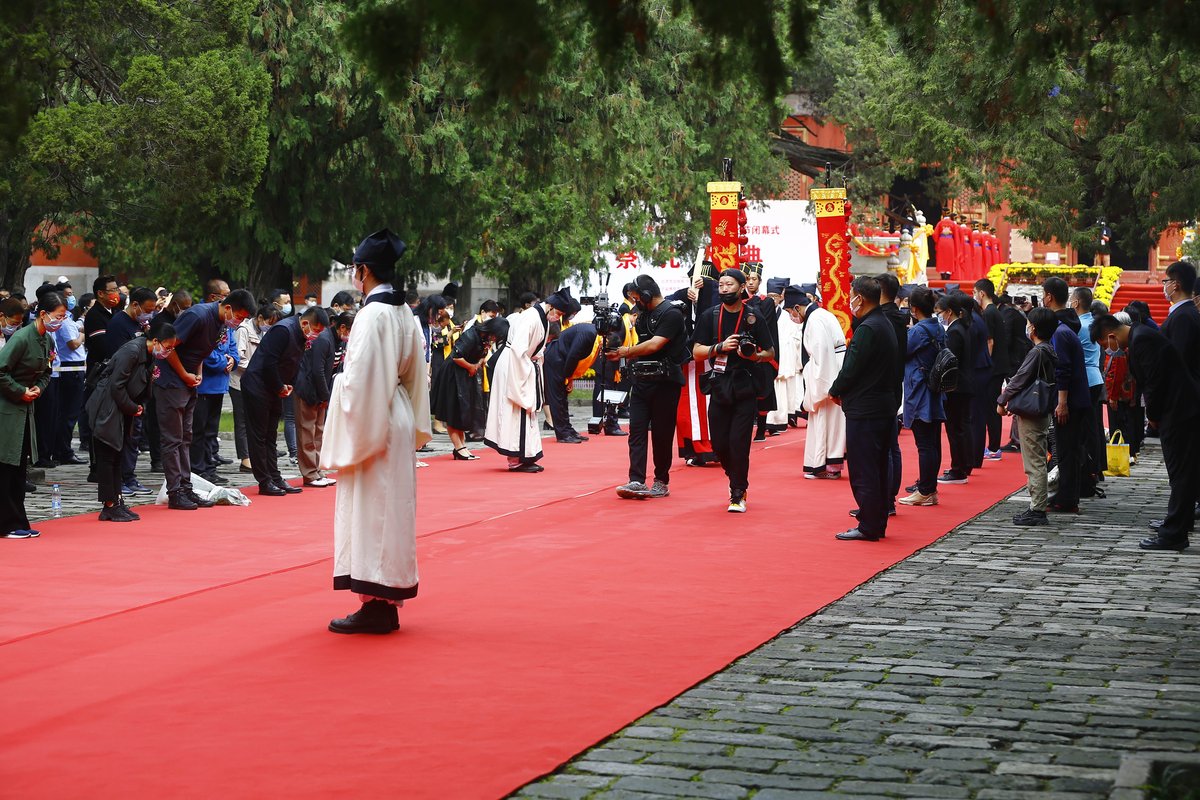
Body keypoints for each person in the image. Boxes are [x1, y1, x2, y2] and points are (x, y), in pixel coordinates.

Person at [322, 228, 430, 634]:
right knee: (392, 512)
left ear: (362, 270)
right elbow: (417, 375)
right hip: (398, 413)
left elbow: (362, 379)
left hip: (376, 419)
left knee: (372, 514)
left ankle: (377, 603)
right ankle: (385, 600)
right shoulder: (405, 312)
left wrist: (338, 384)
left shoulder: (372, 314)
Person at [1091, 314, 1200, 551]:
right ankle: (1179, 522)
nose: (1109, 350)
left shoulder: (1141, 340)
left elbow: (1155, 382)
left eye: (1105, 345)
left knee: (1180, 471)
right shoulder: (1140, 335)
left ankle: (1175, 533)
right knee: (1180, 472)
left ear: (1110, 336)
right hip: (1180, 408)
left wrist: (1153, 415)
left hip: (1179, 410)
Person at [155, 288, 256, 510]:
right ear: (228, 307)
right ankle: (175, 492)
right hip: (172, 381)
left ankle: (186, 487)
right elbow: (167, 346)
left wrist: (197, 373)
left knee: (186, 437)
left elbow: (200, 351)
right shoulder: (198, 315)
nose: (238, 322)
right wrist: (184, 374)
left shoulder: (220, 323)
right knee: (173, 439)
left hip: (191, 381)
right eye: (239, 317)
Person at [692, 268, 775, 512]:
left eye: (729, 285)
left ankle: (738, 492)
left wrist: (753, 355)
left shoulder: (754, 317)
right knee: (719, 444)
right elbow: (696, 350)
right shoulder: (709, 315)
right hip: (719, 384)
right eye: (721, 285)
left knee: (739, 443)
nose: (724, 289)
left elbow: (769, 352)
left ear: (741, 288)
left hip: (745, 384)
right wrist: (718, 347)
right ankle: (733, 475)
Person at [829, 276, 899, 541]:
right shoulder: (884, 323)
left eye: (852, 295)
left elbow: (852, 368)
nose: (850, 300)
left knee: (864, 468)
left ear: (861, 298)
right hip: (882, 404)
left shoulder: (869, 328)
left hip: (866, 408)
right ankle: (875, 520)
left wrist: (836, 390)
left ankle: (869, 524)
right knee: (878, 466)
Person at [87, 320, 178, 522]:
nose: (169, 352)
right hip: (108, 407)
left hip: (124, 407)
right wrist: (132, 407)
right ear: (155, 340)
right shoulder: (132, 351)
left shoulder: (148, 354)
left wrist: (137, 406)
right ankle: (108, 505)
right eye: (168, 347)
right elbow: (116, 385)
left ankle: (117, 501)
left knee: (119, 454)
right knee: (107, 455)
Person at [612, 275, 689, 499]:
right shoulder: (643, 314)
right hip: (642, 380)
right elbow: (641, 344)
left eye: (637, 298)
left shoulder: (672, 314)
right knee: (636, 431)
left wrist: (626, 352)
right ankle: (636, 479)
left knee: (662, 434)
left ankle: (661, 481)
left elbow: (655, 345)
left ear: (646, 295)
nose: (635, 302)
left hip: (666, 382)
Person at [485, 288, 575, 472]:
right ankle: (516, 457)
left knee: (526, 412)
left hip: (524, 362)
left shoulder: (541, 317)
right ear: (550, 306)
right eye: (558, 313)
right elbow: (519, 349)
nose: (558, 317)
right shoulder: (531, 317)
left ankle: (525, 455)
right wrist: (529, 369)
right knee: (516, 411)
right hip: (516, 363)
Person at [243, 304, 329, 496]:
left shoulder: (301, 334)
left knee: (271, 435)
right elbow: (269, 362)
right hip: (257, 385)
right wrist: (279, 386)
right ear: (306, 323)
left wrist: (288, 384)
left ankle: (275, 477)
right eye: (315, 331)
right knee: (259, 436)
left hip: (276, 388)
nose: (315, 335)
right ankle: (264, 481)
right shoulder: (284, 330)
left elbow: (294, 362)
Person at [0, 292, 62, 539]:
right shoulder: (21, 338)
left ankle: (18, 520)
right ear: (43, 314)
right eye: (58, 316)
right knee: (6, 468)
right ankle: (6, 524)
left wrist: (38, 388)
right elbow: (1, 371)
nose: (60, 321)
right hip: (7, 409)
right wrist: (20, 391)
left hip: (26, 409)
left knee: (19, 469)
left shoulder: (47, 340)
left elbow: (47, 371)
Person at [997, 307, 1059, 526]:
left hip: (1033, 412)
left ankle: (1037, 507)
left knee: (1034, 461)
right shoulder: (1048, 349)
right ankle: (1037, 505)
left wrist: (1003, 399)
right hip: (1041, 409)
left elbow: (1020, 378)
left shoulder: (1038, 352)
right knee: (1037, 458)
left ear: (1033, 328)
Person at [785, 285, 847, 479]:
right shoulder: (821, 314)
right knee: (830, 420)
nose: (791, 317)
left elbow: (821, 353)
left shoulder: (815, 319)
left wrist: (820, 389)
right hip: (831, 367)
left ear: (797, 307)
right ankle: (829, 464)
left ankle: (823, 464)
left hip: (827, 371)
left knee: (823, 417)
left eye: (790, 312)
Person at [1042, 277, 1091, 513]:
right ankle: (1067, 493)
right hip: (1076, 396)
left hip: (1069, 400)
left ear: (1049, 296)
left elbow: (1062, 368)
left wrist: (1061, 403)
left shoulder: (1060, 332)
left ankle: (1067, 498)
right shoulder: (1068, 325)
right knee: (1068, 448)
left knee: (1067, 449)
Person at [431, 315, 508, 459]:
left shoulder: (486, 338)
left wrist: (477, 365)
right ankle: (458, 447)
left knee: (464, 410)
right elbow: (456, 356)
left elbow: (482, 355)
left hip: (466, 373)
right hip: (453, 374)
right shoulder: (471, 335)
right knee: (454, 411)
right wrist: (471, 367)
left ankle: (462, 446)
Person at [106, 286, 158, 496]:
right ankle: (121, 479)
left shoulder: (140, 323)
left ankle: (129, 476)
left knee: (133, 435)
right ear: (135, 304)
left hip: (138, 387)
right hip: (124, 388)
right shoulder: (119, 323)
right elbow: (121, 359)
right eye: (147, 309)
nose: (150, 314)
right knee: (123, 436)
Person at [899, 287, 945, 506]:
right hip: (935, 388)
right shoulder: (938, 327)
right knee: (933, 442)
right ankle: (930, 488)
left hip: (920, 389)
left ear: (914, 309)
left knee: (925, 444)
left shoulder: (919, 331)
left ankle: (925, 490)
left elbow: (902, 352)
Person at [295, 310, 353, 487]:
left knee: (319, 431)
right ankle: (310, 474)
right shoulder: (324, 339)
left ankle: (318, 470)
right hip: (308, 390)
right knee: (307, 432)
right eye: (351, 331)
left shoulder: (338, 341)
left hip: (322, 392)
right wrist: (325, 396)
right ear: (342, 327)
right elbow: (317, 371)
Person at [672, 265, 719, 466]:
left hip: (710, 361)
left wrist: (706, 293)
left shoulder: (718, 299)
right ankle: (693, 448)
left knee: (708, 406)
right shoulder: (681, 296)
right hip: (687, 362)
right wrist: (686, 296)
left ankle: (713, 448)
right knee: (686, 410)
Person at [935, 292, 975, 484]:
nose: (940, 316)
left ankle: (958, 468)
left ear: (949, 312)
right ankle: (963, 464)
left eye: (941, 312)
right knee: (961, 426)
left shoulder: (955, 331)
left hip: (957, 387)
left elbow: (950, 361)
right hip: (964, 384)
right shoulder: (962, 328)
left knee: (955, 428)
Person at [876, 273, 908, 514]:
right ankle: (888, 499)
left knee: (884, 447)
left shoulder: (883, 318)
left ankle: (884, 500)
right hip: (895, 384)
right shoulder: (898, 316)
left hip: (882, 387)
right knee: (891, 445)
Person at [543, 320, 599, 443]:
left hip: (561, 359)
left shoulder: (592, 332)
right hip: (555, 358)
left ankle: (567, 429)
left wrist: (570, 378)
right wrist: (568, 377)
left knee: (563, 398)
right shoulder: (589, 333)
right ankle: (562, 434)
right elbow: (573, 355)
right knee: (557, 398)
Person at [974, 279, 1011, 459]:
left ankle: (994, 447)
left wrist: (985, 364)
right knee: (992, 406)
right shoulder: (994, 311)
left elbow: (990, 341)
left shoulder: (989, 313)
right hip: (999, 365)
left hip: (994, 367)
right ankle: (994, 446)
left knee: (991, 408)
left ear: (982, 293)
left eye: (975, 292)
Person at [1160, 260, 1200, 382]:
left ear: (1175, 285)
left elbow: (1178, 359)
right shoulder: (1188, 312)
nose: (1165, 286)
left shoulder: (1183, 317)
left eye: (1166, 281)